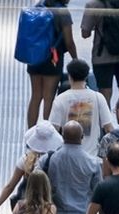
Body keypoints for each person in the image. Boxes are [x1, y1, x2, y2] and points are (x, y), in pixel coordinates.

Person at [0, 120, 63, 214]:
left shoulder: (26, 160)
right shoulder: (57, 161)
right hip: (50, 211)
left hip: (28, 210)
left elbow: (10, 186)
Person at [25, 0, 77, 128]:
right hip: (53, 58)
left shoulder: (37, 7)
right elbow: (69, 41)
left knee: (35, 96)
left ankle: (30, 133)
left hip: (35, 56)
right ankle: (47, 133)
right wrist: (75, 59)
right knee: (49, 98)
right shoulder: (62, 12)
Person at [50, 59, 114, 153]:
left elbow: (53, 130)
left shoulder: (60, 99)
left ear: (69, 76)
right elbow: (109, 128)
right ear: (87, 76)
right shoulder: (98, 97)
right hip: (92, 158)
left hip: (67, 157)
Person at [81, 0, 119, 104]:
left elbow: (85, 33)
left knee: (105, 93)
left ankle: (106, 119)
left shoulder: (94, 5)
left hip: (102, 56)